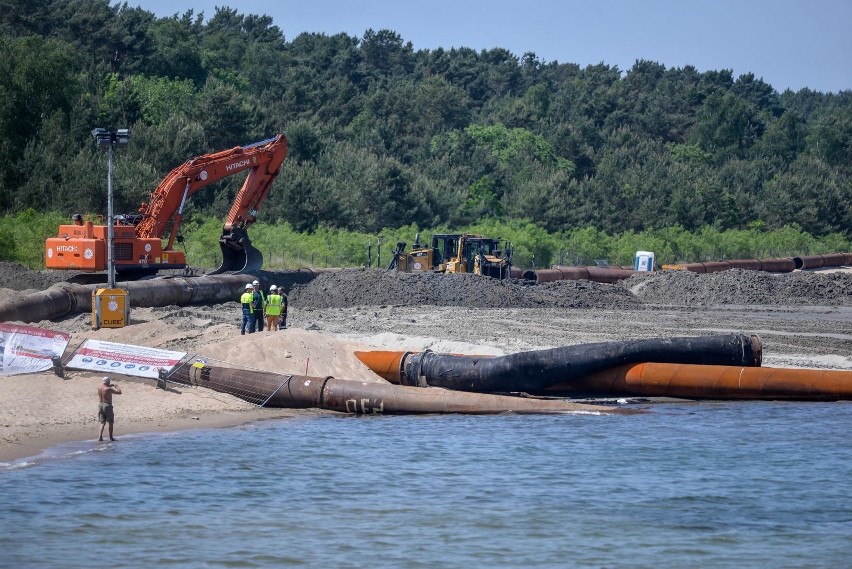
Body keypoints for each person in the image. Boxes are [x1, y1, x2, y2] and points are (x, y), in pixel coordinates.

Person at [98, 376, 122, 442]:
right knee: (110, 422)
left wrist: (110, 385)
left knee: (102, 422)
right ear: (108, 382)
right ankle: (111, 438)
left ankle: (100, 437)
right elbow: (119, 392)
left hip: (100, 404)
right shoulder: (109, 389)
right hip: (107, 405)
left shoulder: (99, 387)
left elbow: (105, 387)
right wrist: (116, 386)